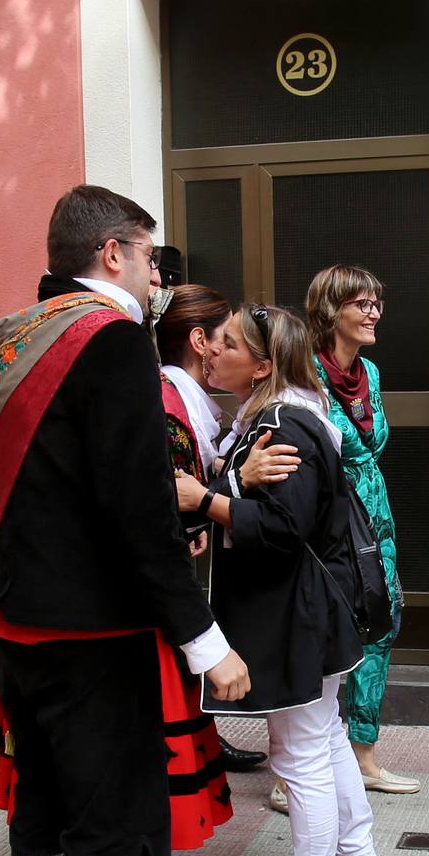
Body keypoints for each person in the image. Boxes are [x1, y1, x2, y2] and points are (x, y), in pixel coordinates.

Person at [0, 184, 250, 856]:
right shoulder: (113, 342)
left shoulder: (9, 339)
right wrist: (205, 642)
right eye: (153, 258)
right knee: (102, 832)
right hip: (93, 631)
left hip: (17, 623)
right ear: (115, 254)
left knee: (38, 816)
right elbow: (138, 506)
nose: (160, 277)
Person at [176, 305, 382, 856]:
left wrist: (206, 501)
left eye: (228, 343)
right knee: (321, 739)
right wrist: (231, 478)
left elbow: (285, 529)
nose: (212, 350)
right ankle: (357, 852)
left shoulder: (281, 424)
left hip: (297, 613)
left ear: (263, 365)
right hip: (309, 611)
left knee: (299, 757)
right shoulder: (272, 417)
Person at [261, 262, 416, 802]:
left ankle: (363, 754)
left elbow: (369, 444)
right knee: (314, 636)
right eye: (362, 303)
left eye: (377, 302)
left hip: (374, 518)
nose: (374, 312)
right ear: (331, 310)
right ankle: (290, 773)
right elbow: (332, 446)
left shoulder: (369, 373)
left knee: (381, 626)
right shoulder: (305, 373)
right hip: (323, 521)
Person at [154, 282, 296, 777]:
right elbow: (175, 497)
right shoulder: (170, 404)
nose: (221, 349)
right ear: (199, 342)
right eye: (224, 338)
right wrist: (236, 480)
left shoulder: (199, 403)